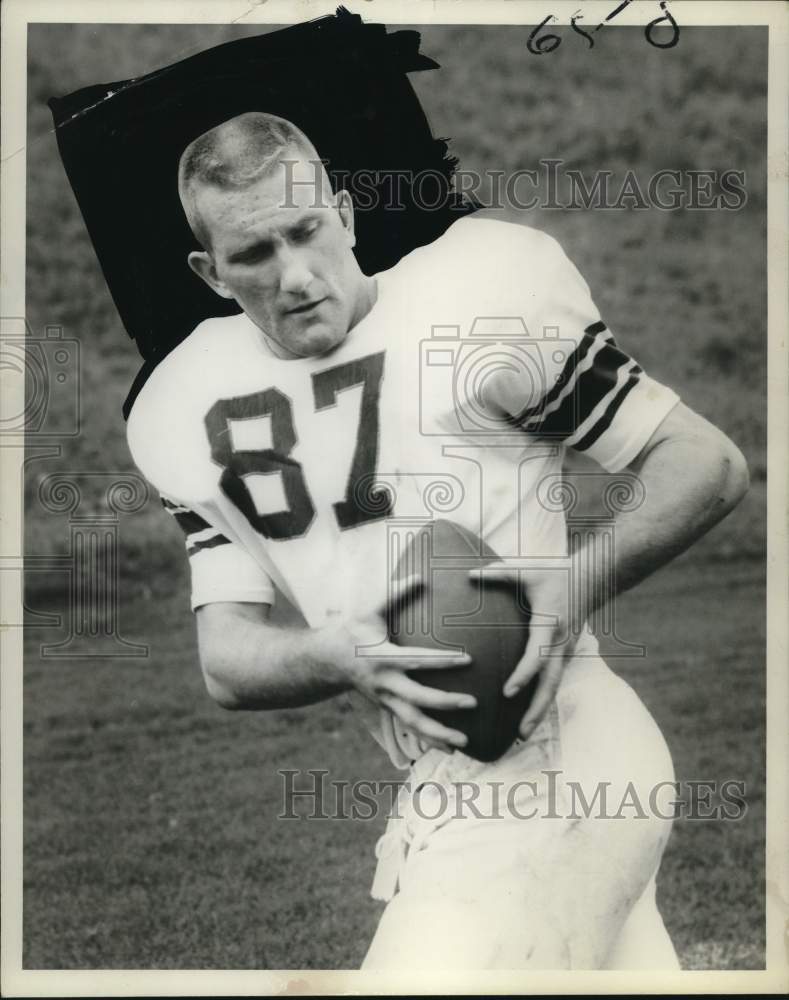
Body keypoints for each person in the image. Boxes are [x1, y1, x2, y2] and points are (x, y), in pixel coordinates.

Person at [126, 112, 749, 969]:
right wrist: (338, 655)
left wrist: (568, 585)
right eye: (254, 254)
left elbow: (705, 463)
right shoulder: (187, 402)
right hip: (446, 781)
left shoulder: (473, 299)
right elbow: (225, 661)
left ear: (344, 214)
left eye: (306, 229)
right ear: (209, 271)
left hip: (562, 749)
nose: (295, 274)